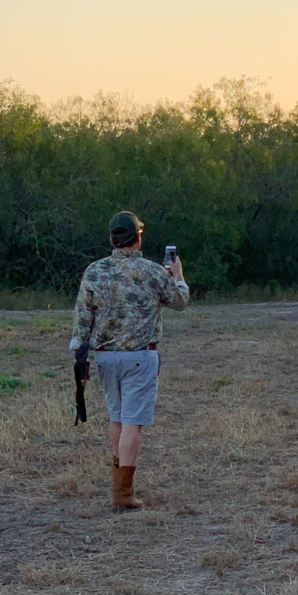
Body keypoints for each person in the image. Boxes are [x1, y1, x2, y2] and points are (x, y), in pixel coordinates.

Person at [69, 211, 189, 511]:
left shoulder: (94, 271)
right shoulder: (151, 271)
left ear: (112, 239)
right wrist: (179, 276)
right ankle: (122, 494)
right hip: (140, 356)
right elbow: (179, 302)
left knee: (117, 418)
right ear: (138, 237)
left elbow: (82, 319)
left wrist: (79, 357)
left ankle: (118, 484)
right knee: (133, 424)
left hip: (105, 358)